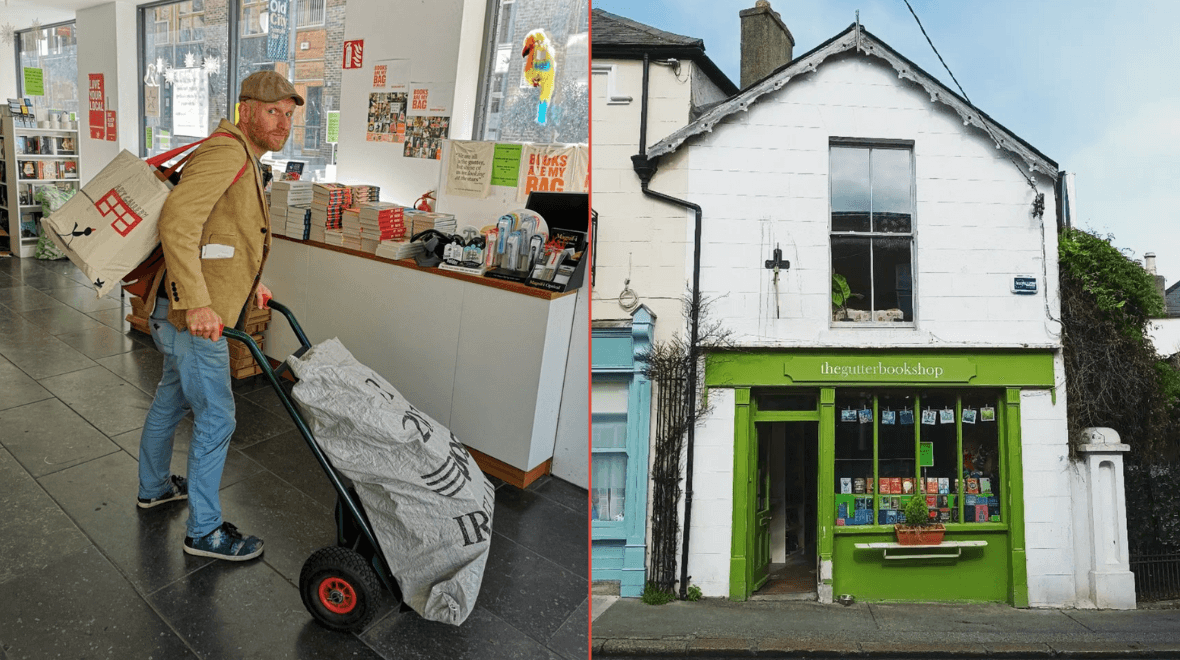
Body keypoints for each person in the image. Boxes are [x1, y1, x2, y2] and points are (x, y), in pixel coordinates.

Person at [136, 71, 304, 561]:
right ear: (246, 109)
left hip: (182, 310)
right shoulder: (228, 151)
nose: (283, 123)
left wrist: (250, 286)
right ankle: (204, 531)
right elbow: (179, 221)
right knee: (217, 416)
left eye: (290, 115)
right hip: (192, 316)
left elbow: (220, 232)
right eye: (273, 112)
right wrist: (199, 302)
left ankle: (154, 487)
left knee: (171, 399)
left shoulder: (242, 155)